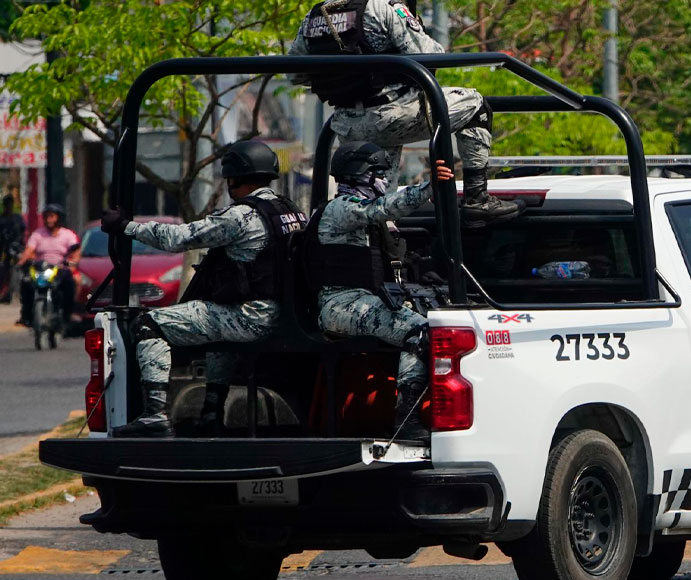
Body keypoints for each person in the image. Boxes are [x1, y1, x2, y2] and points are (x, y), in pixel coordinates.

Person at [100, 140, 308, 438]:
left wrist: (125, 226)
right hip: (284, 316)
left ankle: (154, 416)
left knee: (149, 324)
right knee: (214, 323)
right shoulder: (290, 210)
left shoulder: (241, 216)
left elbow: (178, 238)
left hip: (249, 318)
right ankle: (211, 413)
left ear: (235, 177)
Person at [289, 0, 522, 227]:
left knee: (376, 208)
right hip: (394, 115)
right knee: (475, 104)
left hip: (348, 124)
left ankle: (378, 253)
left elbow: (295, 74)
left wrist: (346, 84)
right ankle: (477, 199)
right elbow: (431, 55)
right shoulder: (384, 7)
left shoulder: (314, 17)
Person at [305, 141, 451, 440]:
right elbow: (382, 208)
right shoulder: (342, 210)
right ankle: (407, 418)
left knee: (441, 322)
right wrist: (428, 187)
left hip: (363, 301)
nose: (385, 180)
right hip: (339, 305)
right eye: (380, 173)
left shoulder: (362, 214)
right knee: (420, 332)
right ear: (362, 175)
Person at [17, 203, 78, 327]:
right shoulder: (38, 234)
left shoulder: (67, 234)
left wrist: (73, 263)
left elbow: (76, 252)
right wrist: (21, 263)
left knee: (70, 283)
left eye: (52, 216)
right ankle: (26, 315)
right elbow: (29, 251)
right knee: (26, 283)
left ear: (58, 218)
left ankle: (68, 313)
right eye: (46, 217)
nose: (49, 220)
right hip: (41, 268)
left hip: (60, 268)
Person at [0, 195, 26, 303]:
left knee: (21, 268)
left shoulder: (17, 218)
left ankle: (18, 292)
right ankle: (6, 292)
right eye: (7, 205)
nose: (9, 207)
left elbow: (22, 230)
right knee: (4, 269)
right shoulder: (2, 219)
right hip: (3, 248)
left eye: (10, 204)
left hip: (17, 247)